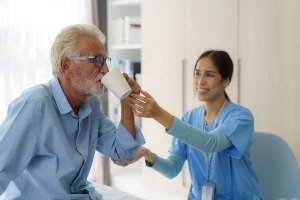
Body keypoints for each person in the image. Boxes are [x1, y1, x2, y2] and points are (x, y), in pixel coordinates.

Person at [0, 24, 145, 199]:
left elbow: (123, 153)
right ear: (66, 65)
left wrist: (126, 100)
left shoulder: (91, 104)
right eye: (96, 60)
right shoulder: (34, 105)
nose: (106, 70)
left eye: (106, 61)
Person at [118, 50, 262, 199]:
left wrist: (158, 113)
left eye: (210, 75)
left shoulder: (241, 117)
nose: (200, 81)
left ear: (226, 80)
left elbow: (211, 143)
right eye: (197, 73)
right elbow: (172, 169)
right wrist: (147, 154)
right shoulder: (189, 118)